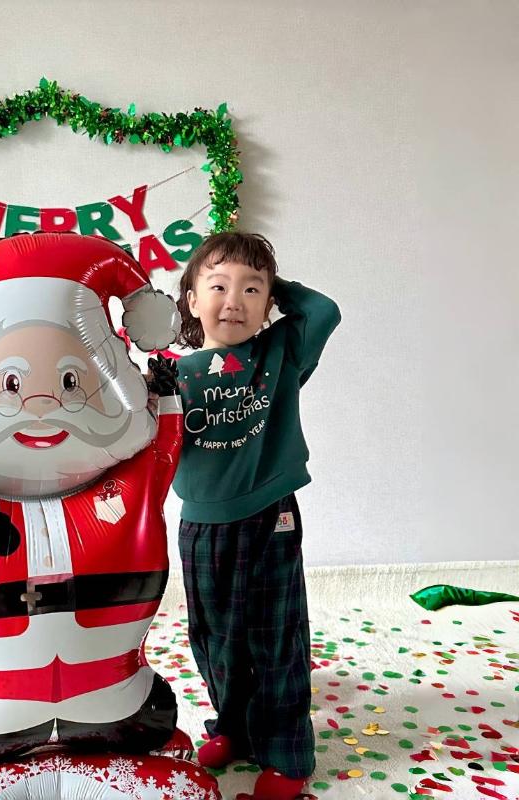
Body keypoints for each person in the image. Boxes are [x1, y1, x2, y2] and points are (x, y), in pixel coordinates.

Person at [171, 231, 341, 800]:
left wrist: (269, 279)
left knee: (276, 640)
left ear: (269, 301)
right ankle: (234, 727)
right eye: (218, 287)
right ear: (191, 300)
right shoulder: (173, 375)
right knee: (215, 640)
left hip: (272, 520)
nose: (234, 301)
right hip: (201, 527)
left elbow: (324, 310)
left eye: (251, 290)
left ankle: (287, 756)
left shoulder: (281, 352)